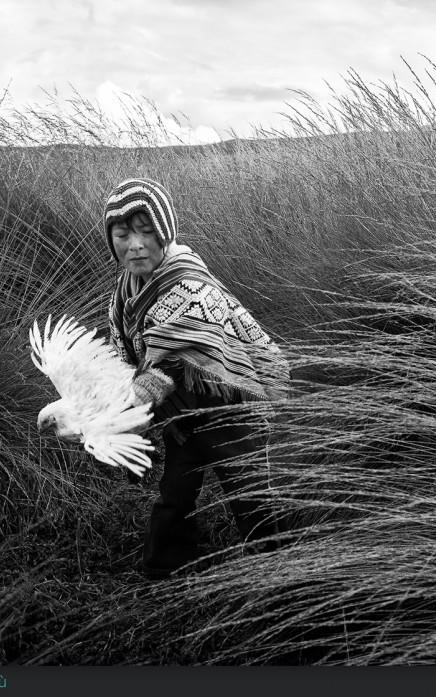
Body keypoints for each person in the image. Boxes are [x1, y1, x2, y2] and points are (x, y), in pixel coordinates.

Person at [103, 178, 289, 579]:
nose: (133, 244)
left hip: (226, 402)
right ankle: (164, 567)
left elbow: (170, 362)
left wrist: (124, 410)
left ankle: (277, 566)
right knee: (175, 492)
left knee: (248, 485)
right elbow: (126, 350)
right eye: (122, 235)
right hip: (182, 410)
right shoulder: (125, 289)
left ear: (164, 233)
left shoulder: (187, 285)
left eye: (145, 232)